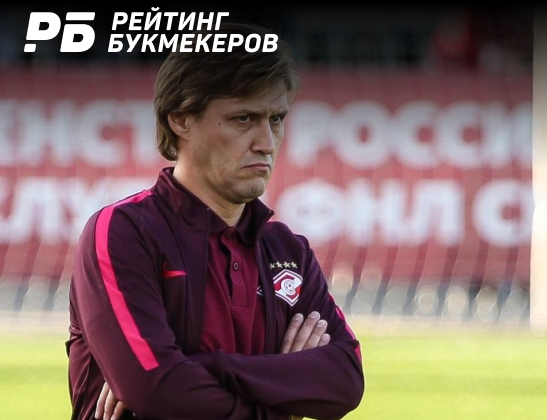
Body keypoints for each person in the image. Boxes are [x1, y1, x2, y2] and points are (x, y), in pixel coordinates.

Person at [66, 22, 364, 420]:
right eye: (244, 119)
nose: (267, 143)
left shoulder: (288, 250)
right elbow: (156, 389)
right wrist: (282, 388)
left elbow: (345, 380)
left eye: (276, 119)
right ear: (181, 119)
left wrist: (197, 367)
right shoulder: (124, 231)